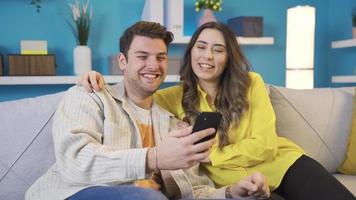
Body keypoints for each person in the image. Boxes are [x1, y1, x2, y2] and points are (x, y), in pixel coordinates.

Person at [81, 21, 356, 200]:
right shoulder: (172, 98)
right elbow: (136, 93)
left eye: (218, 50)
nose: (207, 56)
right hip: (238, 184)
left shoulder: (251, 84)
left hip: (284, 165)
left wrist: (212, 156)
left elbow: (266, 145)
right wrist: (98, 79)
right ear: (191, 53)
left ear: (228, 57)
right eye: (201, 47)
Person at [25, 21, 271, 200]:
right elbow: (75, 161)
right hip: (75, 193)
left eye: (161, 57)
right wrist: (153, 158)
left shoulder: (172, 122)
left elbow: (193, 191)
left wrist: (231, 192)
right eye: (142, 56)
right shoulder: (89, 96)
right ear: (123, 61)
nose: (153, 65)